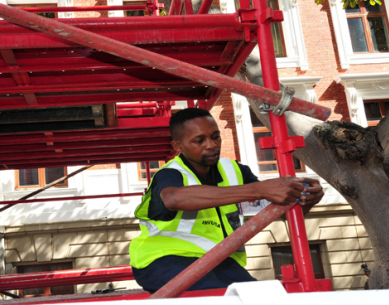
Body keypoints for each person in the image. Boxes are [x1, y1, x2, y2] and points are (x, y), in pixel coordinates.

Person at [128, 108, 324, 293]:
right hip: (164, 259)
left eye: (215, 137)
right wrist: (258, 189)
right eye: (200, 140)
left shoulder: (236, 170)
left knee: (258, 296)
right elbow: (174, 198)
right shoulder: (169, 174)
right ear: (178, 146)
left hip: (219, 260)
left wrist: (303, 198)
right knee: (220, 296)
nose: (212, 145)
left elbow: (273, 210)